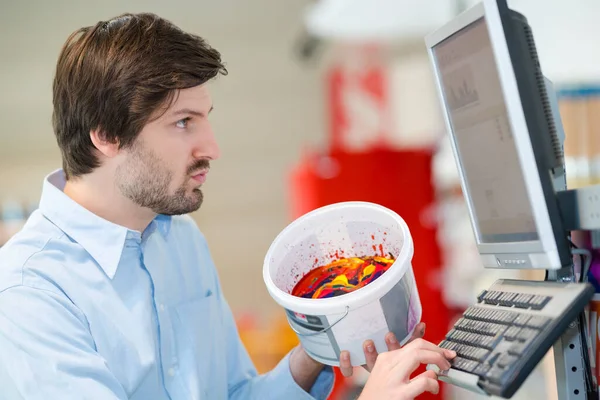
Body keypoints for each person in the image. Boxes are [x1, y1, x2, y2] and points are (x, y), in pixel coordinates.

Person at [0, 13, 455, 400]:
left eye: (205, 119)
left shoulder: (180, 240)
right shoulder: (30, 295)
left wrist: (320, 349)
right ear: (107, 135)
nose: (212, 147)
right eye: (183, 122)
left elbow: (237, 394)